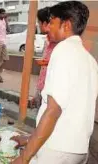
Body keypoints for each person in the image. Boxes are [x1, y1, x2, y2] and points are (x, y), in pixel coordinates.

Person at [11, 1, 98, 164]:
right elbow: (71, 111)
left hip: (56, 150)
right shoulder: (90, 60)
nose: (47, 27)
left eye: (51, 22)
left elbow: (54, 110)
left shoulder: (63, 50)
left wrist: (24, 158)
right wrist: (31, 138)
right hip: (78, 150)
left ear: (66, 25)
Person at [29, 7, 57, 109]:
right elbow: (43, 70)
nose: (38, 25)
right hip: (42, 89)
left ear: (45, 23)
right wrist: (37, 93)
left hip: (50, 93)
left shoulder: (59, 45)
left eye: (38, 22)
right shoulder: (47, 41)